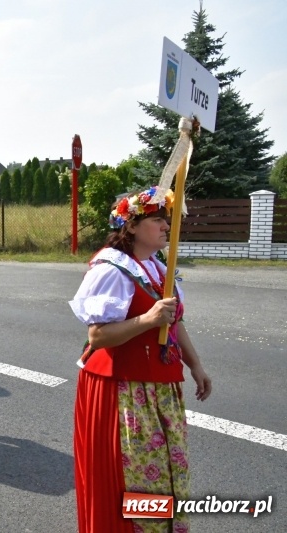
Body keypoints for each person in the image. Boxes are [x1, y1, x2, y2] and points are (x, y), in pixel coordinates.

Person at [69, 186, 212, 533]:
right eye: (158, 219)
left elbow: (173, 322)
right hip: (125, 390)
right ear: (131, 225)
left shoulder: (158, 267)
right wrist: (148, 319)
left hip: (159, 389)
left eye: (168, 220)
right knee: (137, 478)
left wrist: (195, 365)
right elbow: (98, 336)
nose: (167, 227)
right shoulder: (111, 270)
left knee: (165, 472)